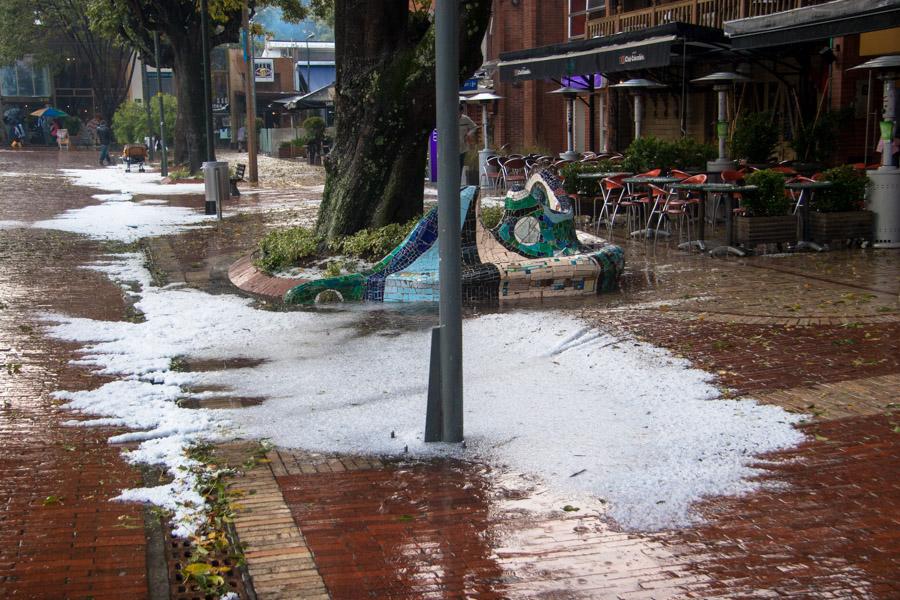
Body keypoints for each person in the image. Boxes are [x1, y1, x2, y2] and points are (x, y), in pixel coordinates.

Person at [458, 103, 478, 178]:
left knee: (460, 166)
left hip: (462, 147)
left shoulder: (465, 119)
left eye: (460, 112)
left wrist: (469, 134)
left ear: (462, 112)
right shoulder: (450, 118)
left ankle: (458, 185)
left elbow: (474, 127)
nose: (458, 114)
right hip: (451, 148)